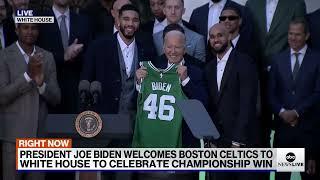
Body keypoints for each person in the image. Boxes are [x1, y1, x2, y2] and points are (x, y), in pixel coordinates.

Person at [134, 23, 207, 180]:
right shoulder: (151, 68)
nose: (173, 51)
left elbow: (203, 105)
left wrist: (186, 80)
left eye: (178, 47)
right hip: (155, 146)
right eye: (169, 47)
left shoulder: (196, 71)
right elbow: (139, 104)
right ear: (164, 47)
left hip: (185, 146)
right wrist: (139, 83)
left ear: (185, 49)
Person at [0, 23, 60, 180]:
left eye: (34, 28)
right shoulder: (4, 56)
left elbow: (56, 98)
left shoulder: (47, 56)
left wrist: (41, 84)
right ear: (16, 30)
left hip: (39, 139)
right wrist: (27, 76)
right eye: (25, 27)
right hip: (12, 138)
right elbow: (2, 96)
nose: (30, 31)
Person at [246, 0, 306, 148]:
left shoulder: (295, 4)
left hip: (285, 75)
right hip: (257, 73)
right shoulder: (251, 4)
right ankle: (261, 169)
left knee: (285, 127)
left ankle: (284, 167)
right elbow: (247, 35)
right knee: (259, 128)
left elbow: (300, 38)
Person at [205, 23, 258, 179]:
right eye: (212, 37)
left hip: (242, 143)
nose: (216, 39)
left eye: (220, 35)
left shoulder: (244, 62)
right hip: (217, 142)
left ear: (229, 36)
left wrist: (237, 141)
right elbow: (211, 106)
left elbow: (247, 103)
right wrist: (210, 140)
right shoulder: (208, 68)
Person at [268, 18, 319, 180]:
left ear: (307, 36)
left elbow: (318, 93)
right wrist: (283, 112)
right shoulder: (277, 59)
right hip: (284, 133)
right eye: (290, 33)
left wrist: (296, 112)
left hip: (309, 134)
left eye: (297, 34)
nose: (293, 38)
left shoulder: (317, 59)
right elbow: (271, 92)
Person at [37, 0, 91, 114]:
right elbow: (34, 54)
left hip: (75, 93)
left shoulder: (83, 21)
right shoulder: (39, 19)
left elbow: (90, 57)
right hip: (46, 92)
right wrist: (63, 56)